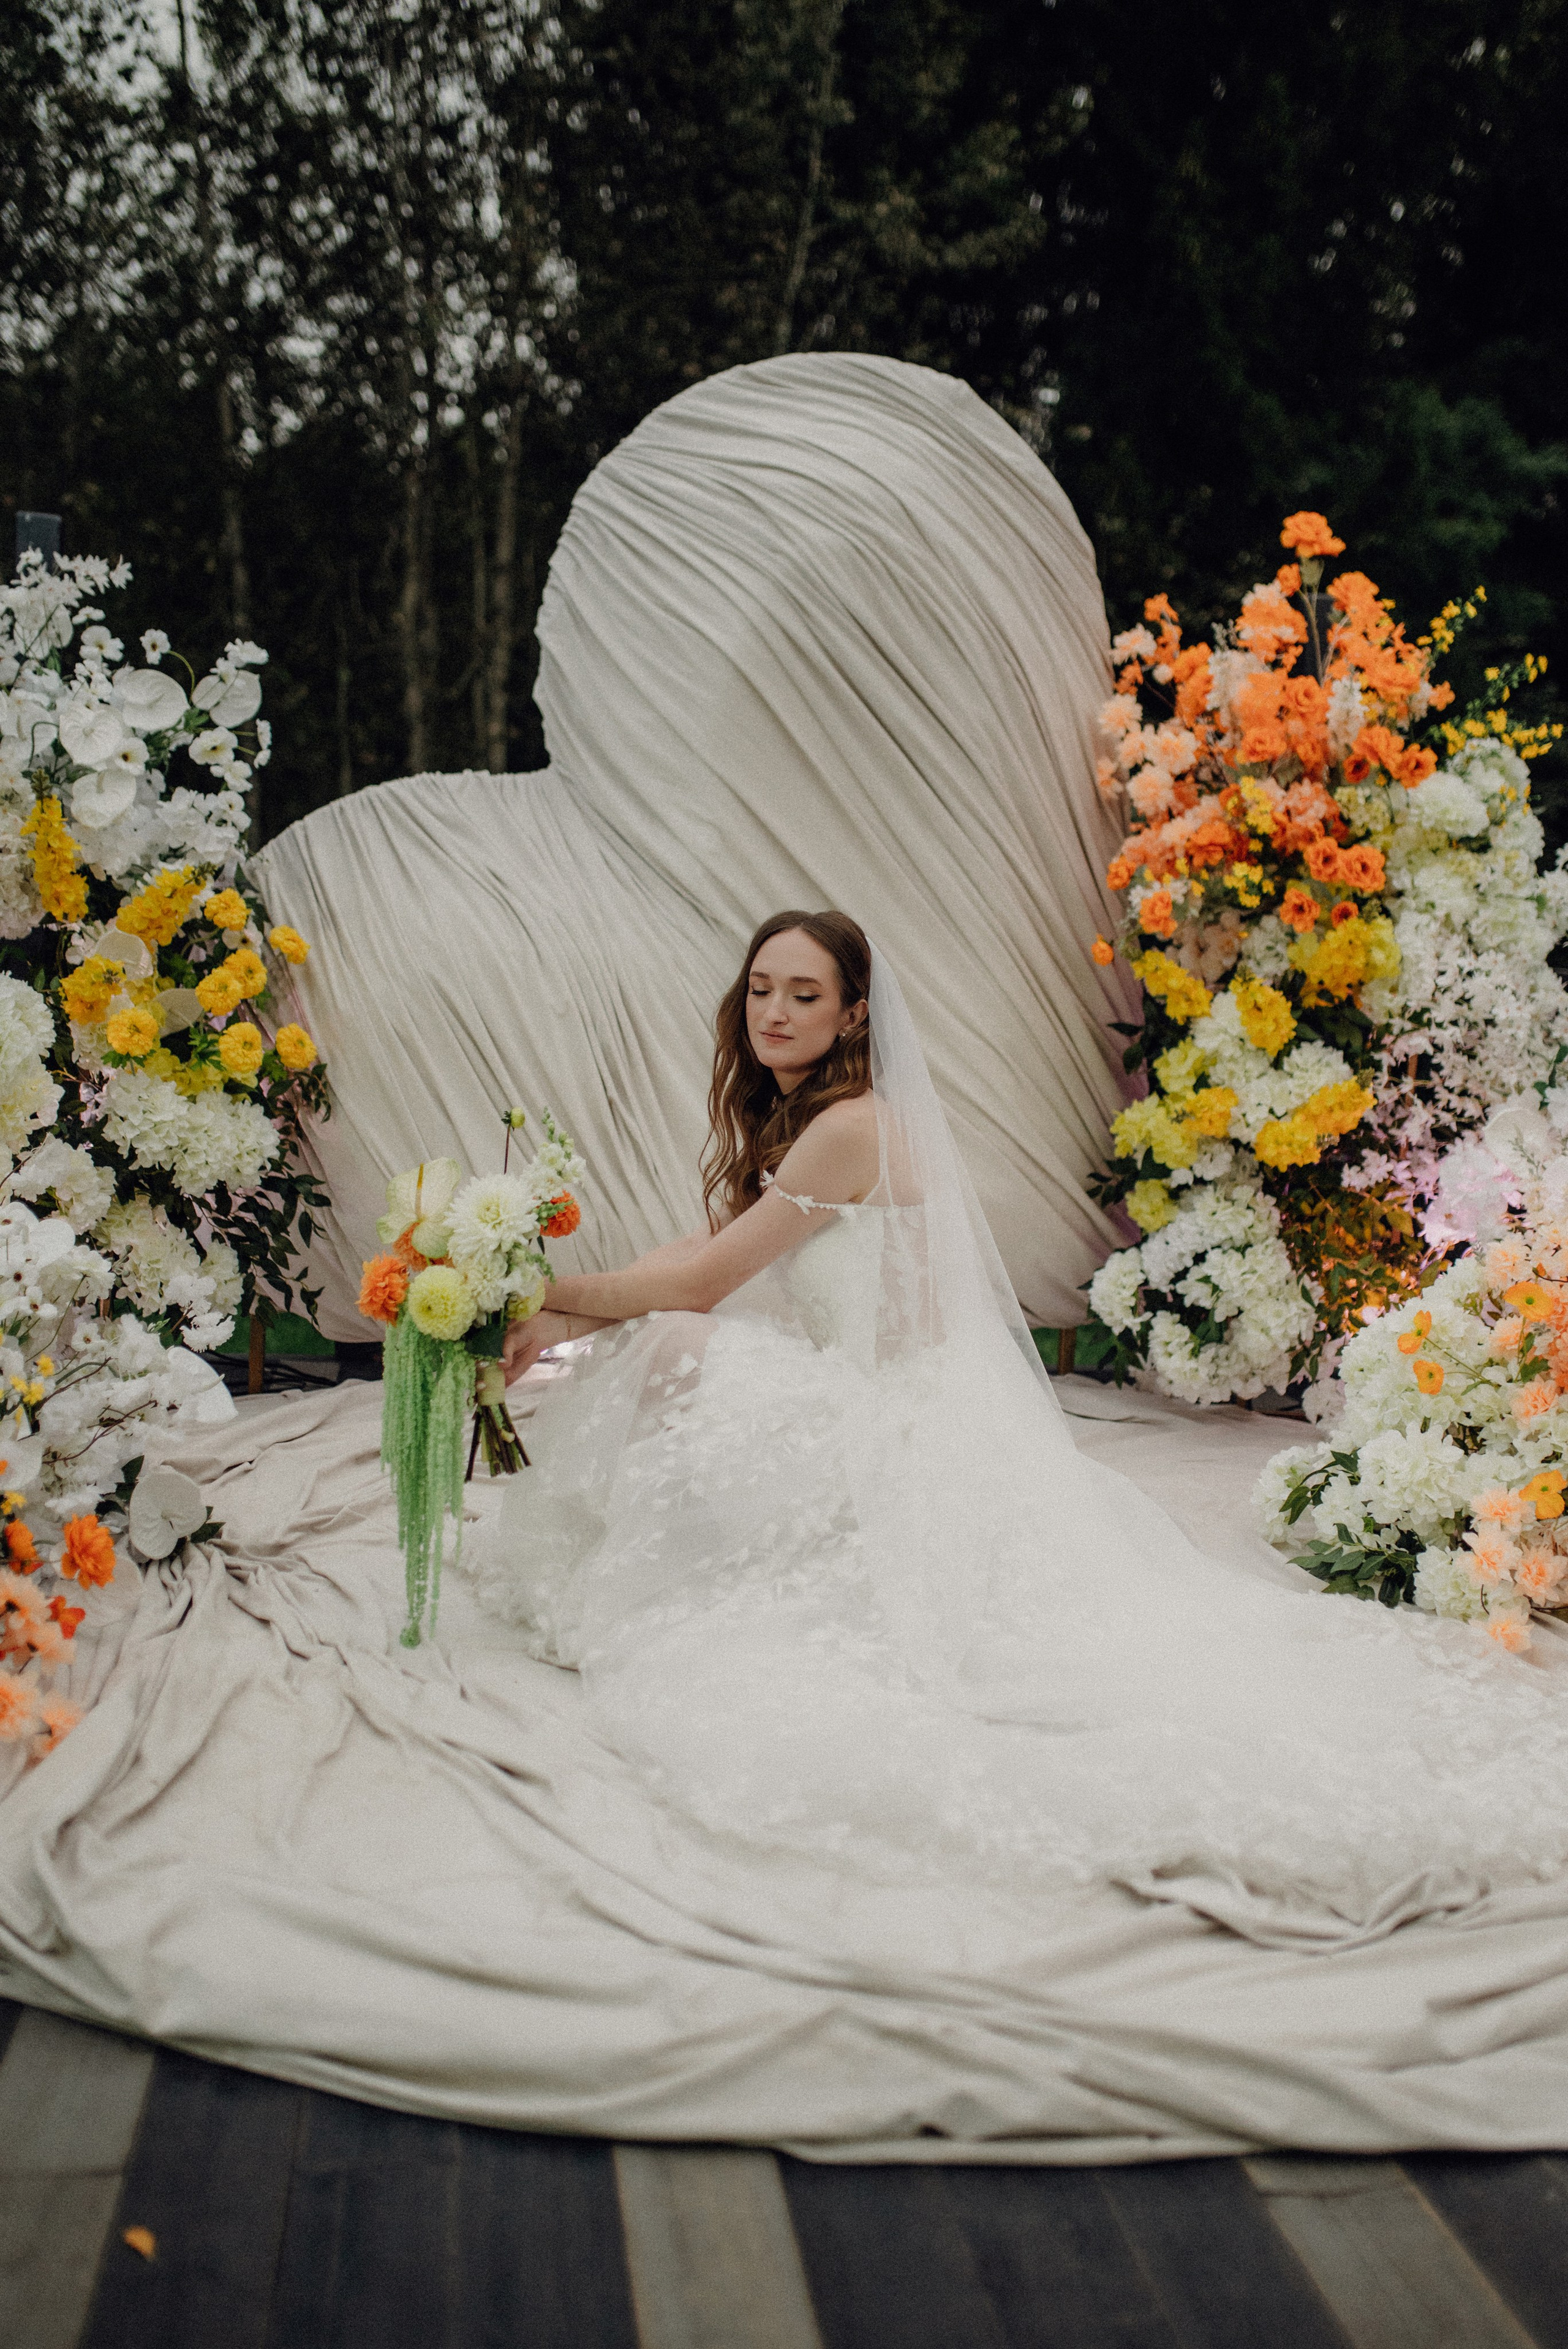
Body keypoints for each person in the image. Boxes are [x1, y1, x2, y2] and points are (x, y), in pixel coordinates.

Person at [466, 908, 1568, 1953]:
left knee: (672, 1343)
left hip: (885, 1421)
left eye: (806, 994)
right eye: (762, 989)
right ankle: (660, 1555)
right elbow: (690, 1256)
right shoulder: (804, 1118)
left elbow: (701, 1285)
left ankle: (654, 1570)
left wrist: (545, 1293)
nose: (776, 1013)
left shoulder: (849, 1128)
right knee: (655, 1335)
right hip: (867, 1392)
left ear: (855, 1016)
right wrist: (558, 1307)